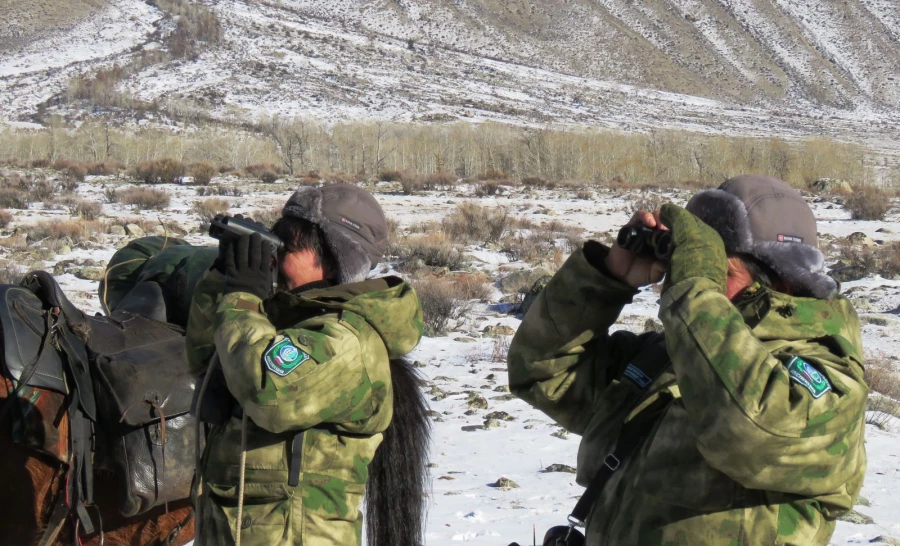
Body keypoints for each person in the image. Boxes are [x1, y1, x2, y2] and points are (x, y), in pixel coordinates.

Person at [508, 175, 867, 545]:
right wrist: (607, 279)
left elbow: (750, 431)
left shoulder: (829, 375)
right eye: (687, 267)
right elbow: (539, 372)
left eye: (718, 273)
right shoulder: (666, 358)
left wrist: (695, 292)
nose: (685, 281)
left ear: (777, 281)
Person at [105, 185, 429, 546]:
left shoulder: (347, 341)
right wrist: (222, 278)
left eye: (288, 247)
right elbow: (204, 359)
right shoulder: (283, 324)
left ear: (334, 261)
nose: (276, 258)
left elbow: (269, 394)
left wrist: (243, 296)